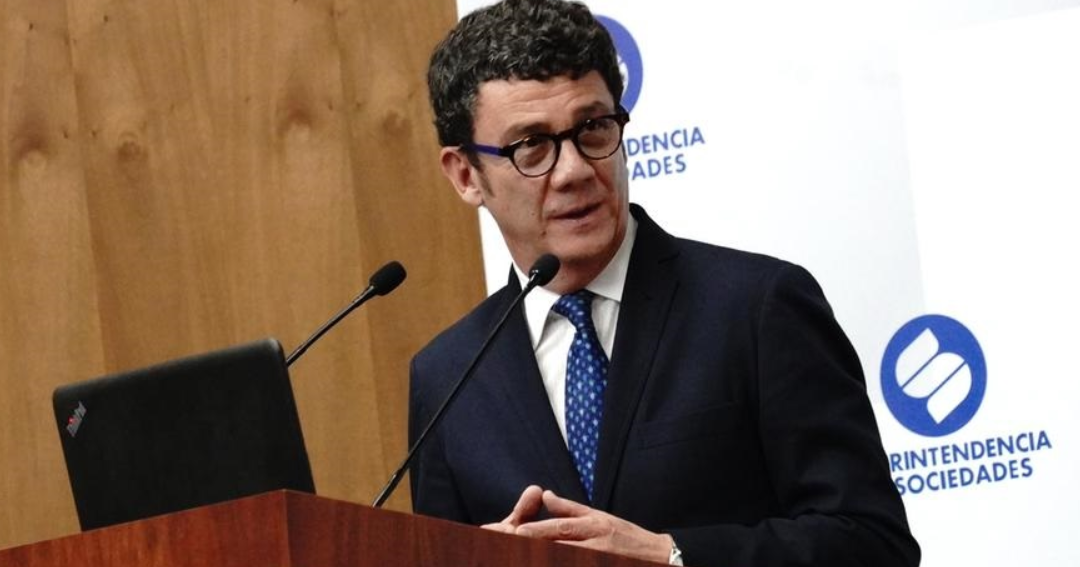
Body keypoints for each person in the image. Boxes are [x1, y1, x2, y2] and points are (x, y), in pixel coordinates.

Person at [408, 0, 920, 565]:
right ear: (465, 174)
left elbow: (873, 542)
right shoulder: (447, 377)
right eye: (531, 145)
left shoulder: (757, 308)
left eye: (593, 128)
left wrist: (672, 555)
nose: (575, 170)